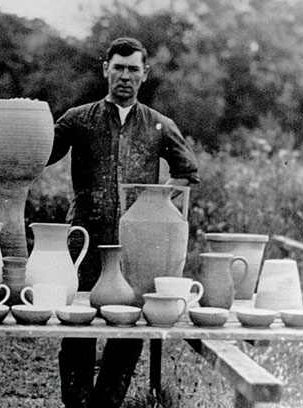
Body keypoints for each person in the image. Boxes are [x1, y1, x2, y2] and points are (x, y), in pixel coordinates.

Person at [46, 37, 200, 407]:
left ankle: (107, 404)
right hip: (83, 240)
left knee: (128, 329)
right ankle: (78, 403)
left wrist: (155, 204)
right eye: (119, 68)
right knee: (77, 324)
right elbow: (40, 153)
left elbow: (188, 173)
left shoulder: (159, 125)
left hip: (136, 248)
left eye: (133, 69)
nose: (125, 76)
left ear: (145, 74)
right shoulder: (78, 119)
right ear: (106, 70)